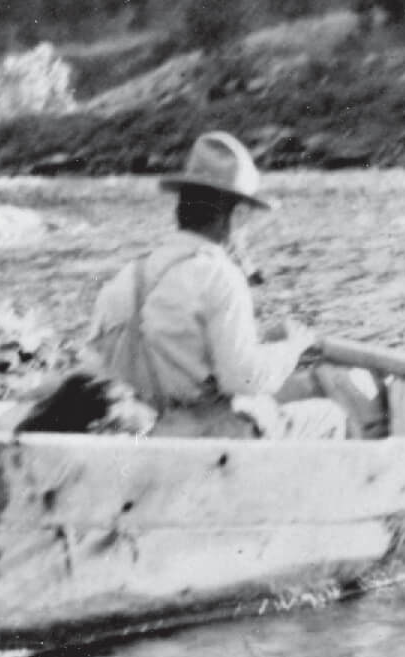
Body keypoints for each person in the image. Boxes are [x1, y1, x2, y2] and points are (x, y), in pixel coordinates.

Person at [79, 131, 348, 439]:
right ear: (237, 216)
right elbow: (243, 380)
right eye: (246, 220)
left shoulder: (128, 275)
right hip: (206, 444)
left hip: (146, 434)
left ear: (182, 208)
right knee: (328, 415)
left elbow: (104, 365)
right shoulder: (220, 275)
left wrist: (262, 345)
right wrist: (292, 348)